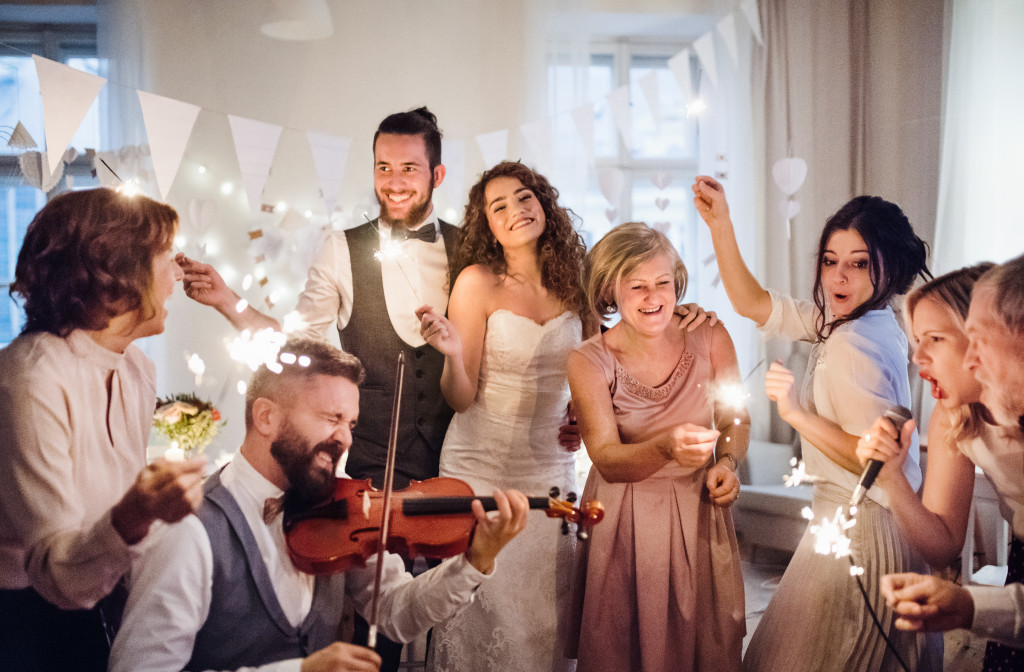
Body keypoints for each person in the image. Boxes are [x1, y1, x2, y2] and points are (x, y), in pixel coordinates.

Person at [179, 107, 457, 669]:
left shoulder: (470, 247)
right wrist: (230, 302)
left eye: (409, 168)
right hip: (368, 468)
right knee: (378, 624)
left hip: (456, 458)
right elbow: (301, 350)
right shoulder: (340, 248)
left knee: (453, 624)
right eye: (383, 167)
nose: (394, 182)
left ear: (437, 175)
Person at [109, 338, 530, 672]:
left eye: (351, 424)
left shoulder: (342, 509)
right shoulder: (188, 529)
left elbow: (399, 612)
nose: (346, 438)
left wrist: (474, 561)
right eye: (331, 418)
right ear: (267, 417)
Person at [693, 175, 940, 671]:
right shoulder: (858, 320)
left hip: (863, 527)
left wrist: (795, 415)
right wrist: (721, 224)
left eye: (858, 264)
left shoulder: (854, 342)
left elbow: (875, 459)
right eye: (830, 262)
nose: (838, 279)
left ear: (890, 269)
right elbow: (754, 304)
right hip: (847, 519)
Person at [0, 188, 207, 672]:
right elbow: (54, 573)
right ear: (116, 272)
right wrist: (133, 515)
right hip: (19, 622)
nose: (178, 272)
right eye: (165, 257)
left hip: (96, 606)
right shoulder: (30, 380)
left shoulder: (136, 368)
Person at [414, 161, 589, 672]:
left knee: (544, 614)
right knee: (479, 607)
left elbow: (596, 363)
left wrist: (583, 409)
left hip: (551, 469)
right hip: (480, 463)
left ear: (543, 203)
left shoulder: (578, 280)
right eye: (499, 206)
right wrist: (450, 351)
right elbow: (461, 396)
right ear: (486, 225)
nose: (516, 210)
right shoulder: (477, 283)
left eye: (524, 197)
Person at [563, 221, 748, 671]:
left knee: (708, 641)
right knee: (622, 644)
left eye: (663, 282)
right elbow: (605, 458)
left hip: (699, 507)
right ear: (610, 289)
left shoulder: (711, 336)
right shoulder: (589, 360)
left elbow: (734, 418)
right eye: (638, 286)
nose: (654, 297)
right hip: (623, 514)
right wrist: (666, 447)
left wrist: (727, 461)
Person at [880, 253, 1024, 663]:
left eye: (935, 339)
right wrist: (892, 475)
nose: (916, 358)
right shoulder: (954, 416)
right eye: (916, 341)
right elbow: (942, 545)